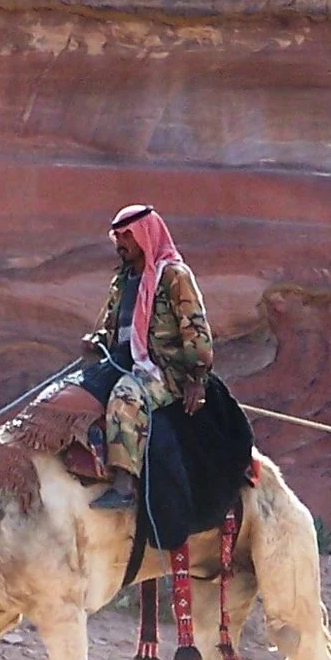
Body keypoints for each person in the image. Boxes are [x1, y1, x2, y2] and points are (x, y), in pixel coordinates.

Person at [86, 205, 213, 512]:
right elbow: (117, 327)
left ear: (145, 234)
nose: (120, 243)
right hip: (123, 360)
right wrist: (99, 340)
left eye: (127, 235)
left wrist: (197, 379)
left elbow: (195, 328)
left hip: (164, 371)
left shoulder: (174, 276)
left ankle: (124, 484)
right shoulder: (123, 279)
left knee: (125, 397)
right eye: (116, 236)